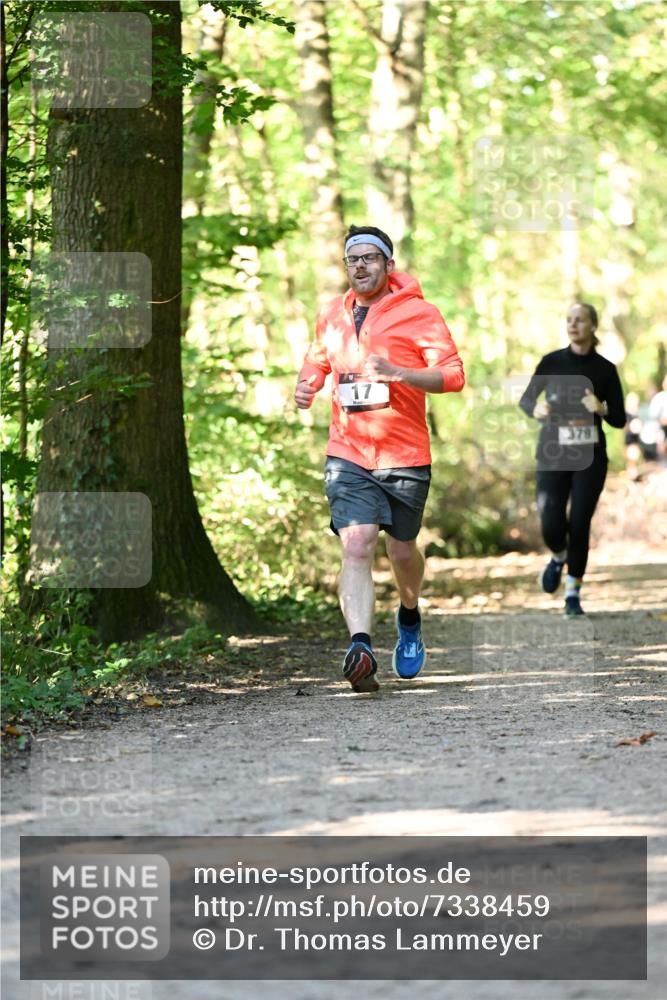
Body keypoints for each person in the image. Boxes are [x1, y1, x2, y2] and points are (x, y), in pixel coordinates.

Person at [294, 225, 464, 692]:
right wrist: (308, 383)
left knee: (402, 548)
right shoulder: (331, 314)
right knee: (357, 542)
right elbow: (317, 361)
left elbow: (453, 376)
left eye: (371, 258)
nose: (361, 266)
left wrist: (402, 373)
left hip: (404, 451)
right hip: (347, 451)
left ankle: (409, 614)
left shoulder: (421, 314)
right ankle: (361, 647)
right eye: (354, 259)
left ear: (389, 266)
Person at [519, 303, 625, 616]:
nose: (573, 325)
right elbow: (527, 400)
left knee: (579, 522)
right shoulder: (551, 362)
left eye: (580, 320)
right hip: (552, 452)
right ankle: (558, 555)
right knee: (551, 522)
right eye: (569, 320)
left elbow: (619, 418)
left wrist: (601, 408)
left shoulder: (605, 369)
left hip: (590, 457)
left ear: (593, 326)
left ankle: (573, 593)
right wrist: (536, 410)